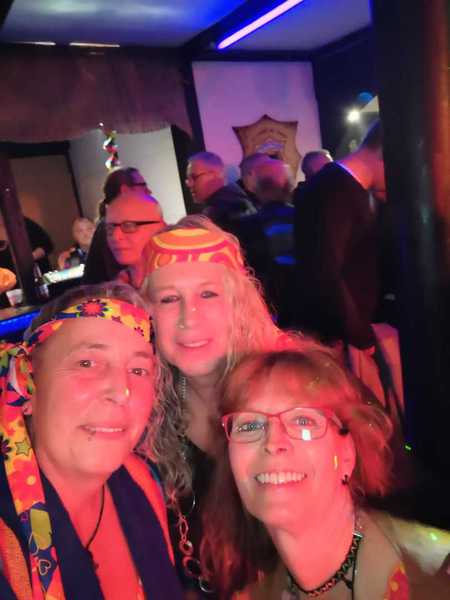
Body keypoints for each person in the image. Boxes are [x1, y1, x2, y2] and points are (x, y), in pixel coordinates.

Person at [201, 349, 450, 599]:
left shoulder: (438, 572)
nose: (273, 442)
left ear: (347, 454)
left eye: (303, 421)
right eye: (250, 425)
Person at [141, 215, 301, 598]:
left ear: (239, 304)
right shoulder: (144, 419)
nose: (189, 317)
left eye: (208, 294)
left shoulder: (296, 395)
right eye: (169, 299)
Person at [0, 282, 183, 599]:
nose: (121, 392)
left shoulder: (142, 479)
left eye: (138, 369)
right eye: (87, 363)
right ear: (26, 383)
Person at [237, 159, 296, 327]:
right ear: (288, 185)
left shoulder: (245, 226)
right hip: (313, 305)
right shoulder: (307, 217)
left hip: (270, 310)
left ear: (257, 188)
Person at [83, 167, 153, 285]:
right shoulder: (110, 228)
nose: (149, 192)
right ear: (125, 190)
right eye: (143, 186)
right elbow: (122, 282)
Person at [105, 191, 165, 288]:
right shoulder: (115, 289)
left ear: (160, 226)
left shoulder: (178, 279)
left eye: (129, 226)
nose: (115, 237)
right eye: (110, 228)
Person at [186, 152, 255, 235]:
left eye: (194, 177)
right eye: (188, 179)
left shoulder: (217, 212)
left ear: (216, 175)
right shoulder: (239, 198)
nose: (189, 184)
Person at [0, 215, 54, 307]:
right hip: (9, 294)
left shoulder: (21, 222)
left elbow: (47, 245)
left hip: (36, 285)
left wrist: (28, 259)